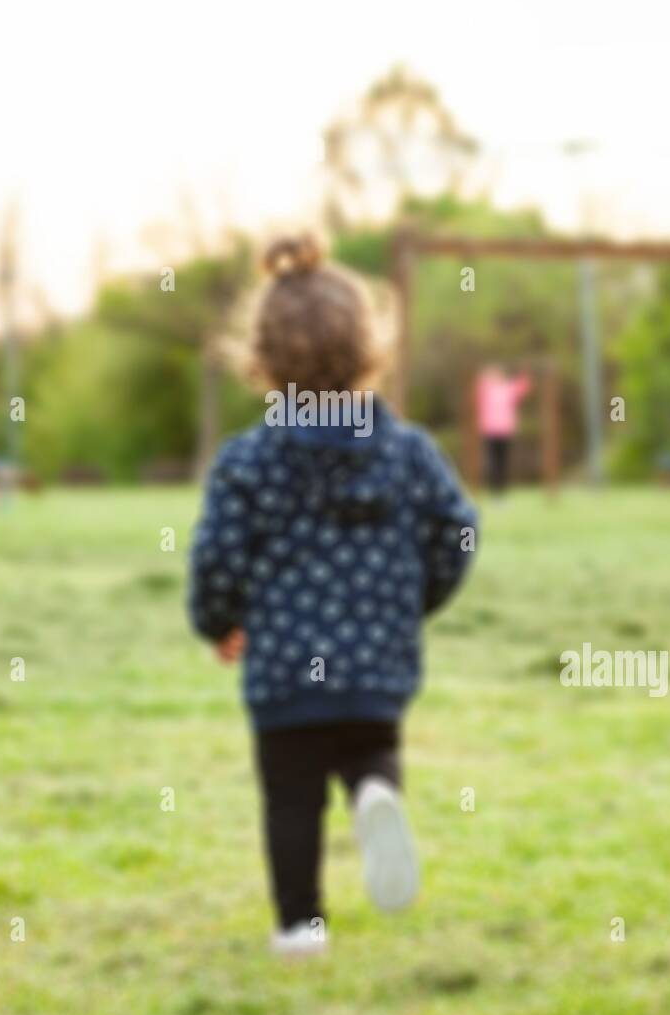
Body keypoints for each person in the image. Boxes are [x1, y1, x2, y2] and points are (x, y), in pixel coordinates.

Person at [188, 234, 477, 956]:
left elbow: (217, 556)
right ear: (368, 349)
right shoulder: (409, 452)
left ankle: (300, 928)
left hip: (285, 668)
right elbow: (458, 531)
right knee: (368, 751)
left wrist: (216, 621)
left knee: (290, 798)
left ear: (261, 358)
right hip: (376, 662)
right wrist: (412, 602)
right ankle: (377, 795)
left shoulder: (248, 460)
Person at [475, 364, 531, 496]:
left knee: (503, 461)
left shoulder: (507, 389)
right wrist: (484, 377)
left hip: (505, 430)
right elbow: (478, 389)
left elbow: (522, 388)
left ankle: (502, 490)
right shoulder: (486, 389)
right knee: (492, 461)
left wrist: (524, 374)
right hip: (489, 430)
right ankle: (493, 490)